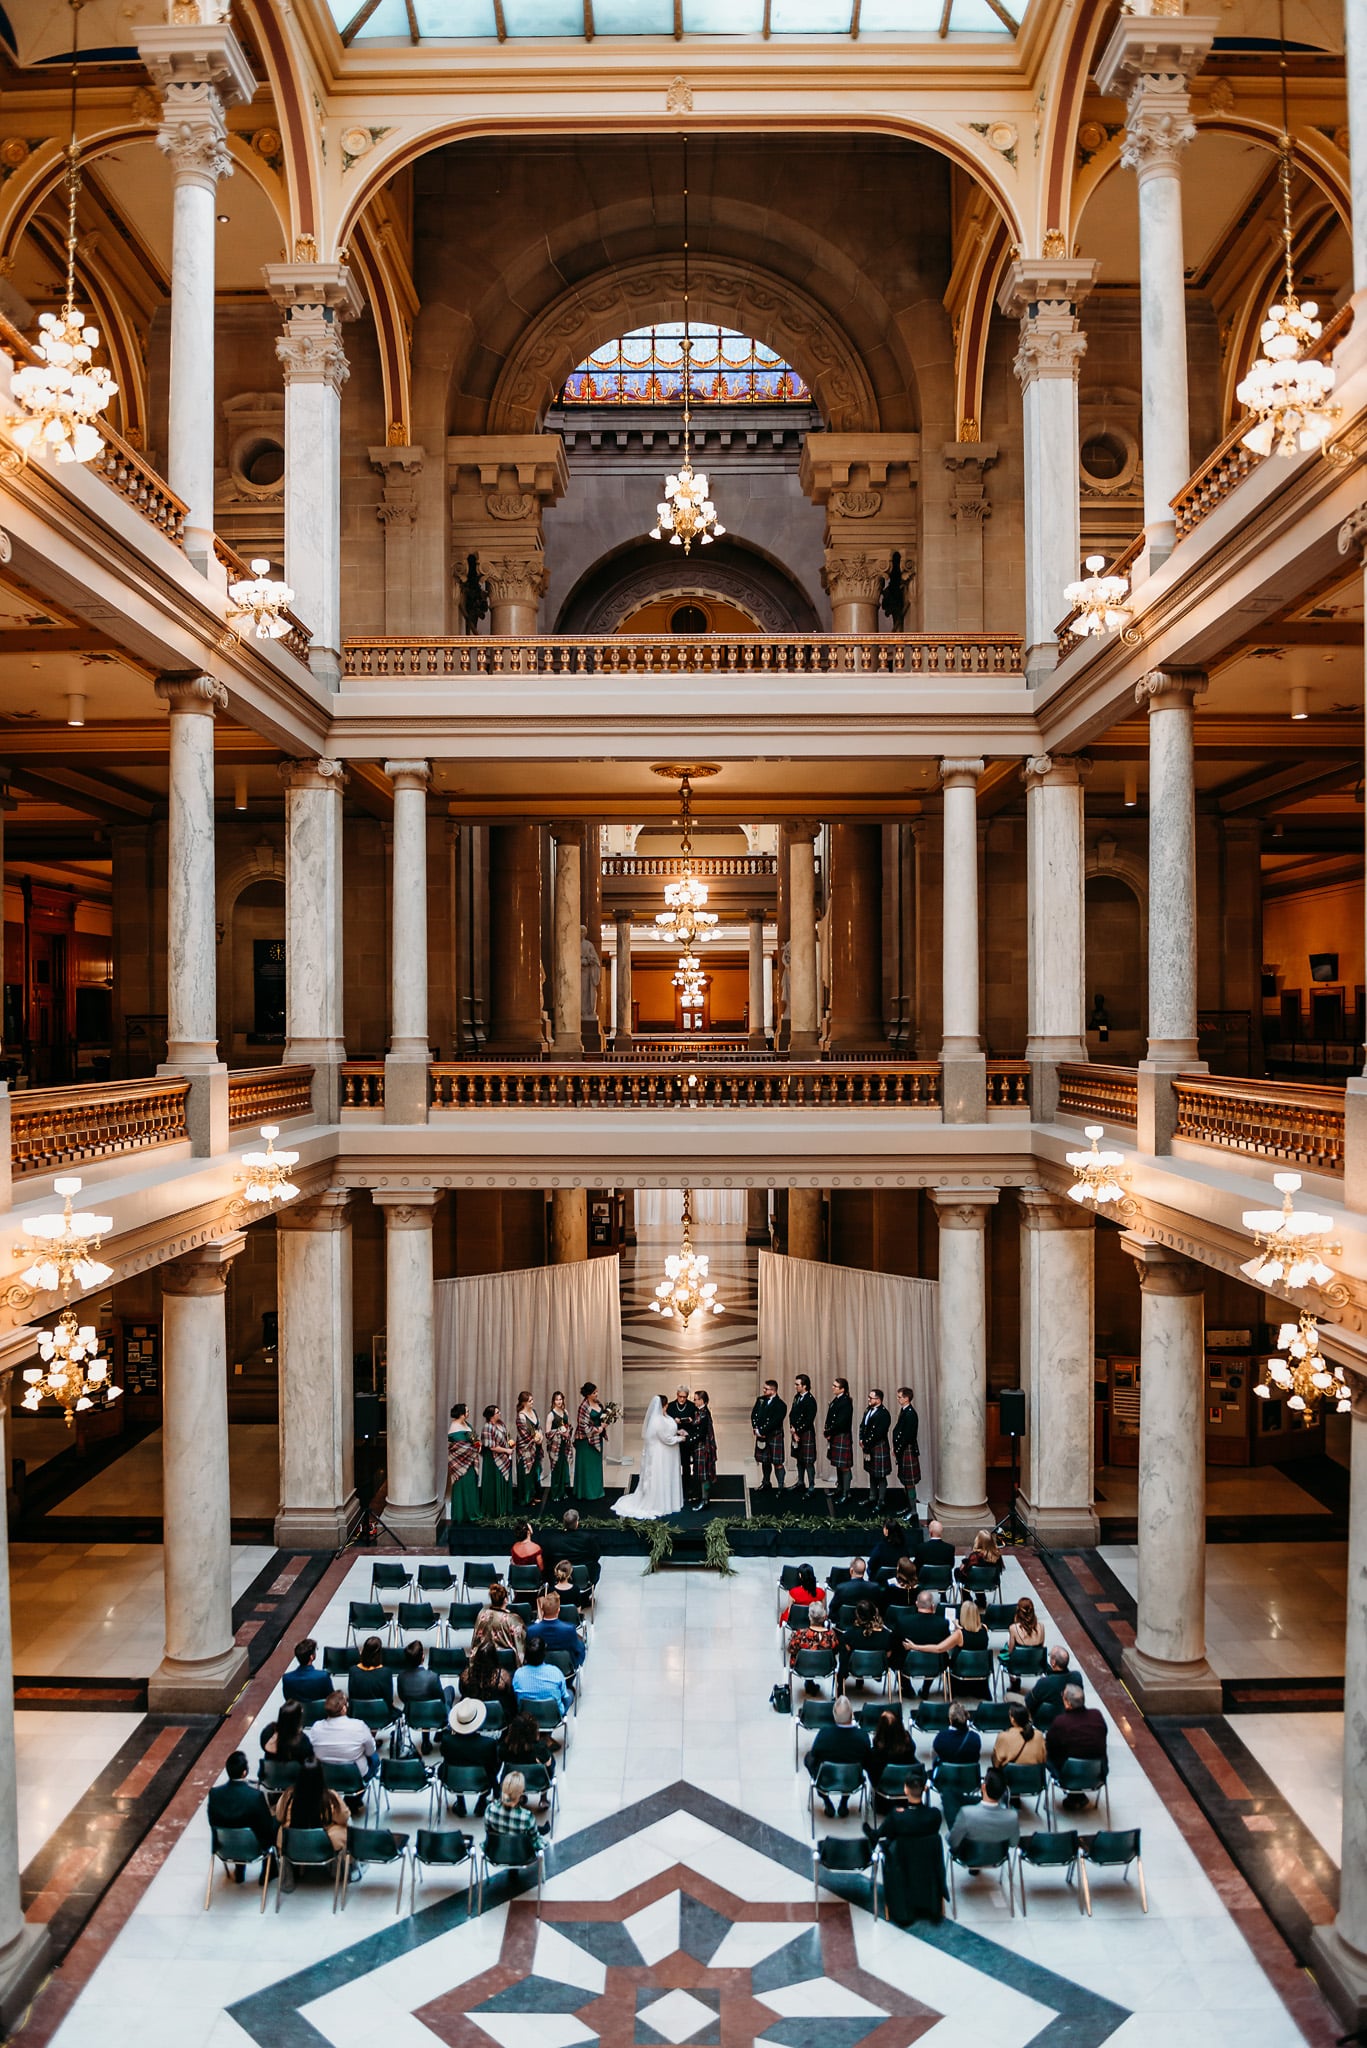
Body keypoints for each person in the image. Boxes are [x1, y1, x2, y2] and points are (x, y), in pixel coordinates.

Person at [863, 1773, 945, 1925]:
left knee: (883, 1838)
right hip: (927, 1861)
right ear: (925, 1789)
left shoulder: (897, 1816)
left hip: (902, 1862)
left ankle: (871, 1835)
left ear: (905, 1790)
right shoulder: (934, 1815)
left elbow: (885, 1833)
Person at [612, 1393, 686, 1520]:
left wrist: (677, 1431)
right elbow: (666, 1438)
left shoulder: (664, 1416)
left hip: (667, 1454)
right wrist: (680, 1438)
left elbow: (668, 1429)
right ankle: (659, 1503)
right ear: (665, 1405)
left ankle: (668, 1500)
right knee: (660, 1476)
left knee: (666, 1475)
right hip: (661, 1454)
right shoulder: (657, 1420)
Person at [207, 1752, 276, 1880]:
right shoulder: (255, 1796)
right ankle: (269, 1871)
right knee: (273, 1824)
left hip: (224, 1846)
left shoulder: (215, 1794)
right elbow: (266, 1825)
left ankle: (239, 1870)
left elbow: (212, 1821)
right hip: (252, 1847)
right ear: (244, 1772)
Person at [803, 1695, 869, 1816]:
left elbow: (815, 1754)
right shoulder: (862, 1736)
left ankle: (826, 1801)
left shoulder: (824, 1734)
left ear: (834, 1714)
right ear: (852, 1714)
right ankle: (844, 1802)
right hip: (852, 1780)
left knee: (809, 1758)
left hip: (826, 1779)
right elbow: (866, 1760)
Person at [275, 1756, 350, 1862]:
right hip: (324, 1843)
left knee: (281, 1829)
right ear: (321, 1776)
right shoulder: (330, 1797)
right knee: (344, 1828)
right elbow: (344, 1817)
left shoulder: (288, 1795)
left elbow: (279, 1816)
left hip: (293, 1841)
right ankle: (339, 1869)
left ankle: (289, 1872)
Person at [309, 1693, 379, 1800]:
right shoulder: (358, 1725)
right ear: (343, 1709)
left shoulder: (316, 1727)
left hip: (326, 1776)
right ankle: (353, 1801)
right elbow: (370, 1751)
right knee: (375, 1758)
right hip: (355, 1776)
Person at [440, 1696, 500, 1816]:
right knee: (492, 1768)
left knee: (452, 1764)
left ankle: (460, 1802)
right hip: (481, 1780)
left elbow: (445, 1756)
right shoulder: (488, 1744)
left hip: (453, 1780)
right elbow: (493, 1767)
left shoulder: (447, 1740)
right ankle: (482, 1802)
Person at [948, 1766, 1018, 1863]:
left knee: (949, 1796)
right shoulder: (1012, 1816)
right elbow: (1013, 1843)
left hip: (969, 1856)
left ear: (983, 1787)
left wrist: (949, 1835)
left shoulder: (966, 1813)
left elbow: (952, 1842)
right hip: (998, 1856)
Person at [1046, 1684, 1109, 1783]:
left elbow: (1049, 1746)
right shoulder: (1097, 1715)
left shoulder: (1060, 1721)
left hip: (1069, 1773)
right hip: (1098, 1772)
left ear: (1068, 1704)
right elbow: (1104, 1734)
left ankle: (1074, 1795)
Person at [484, 1771, 548, 1858]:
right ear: (521, 1793)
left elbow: (488, 1832)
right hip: (522, 1854)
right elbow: (535, 1841)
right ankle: (541, 1830)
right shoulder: (527, 1817)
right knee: (534, 1834)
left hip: (497, 1852)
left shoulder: (490, 1810)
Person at [498, 1711, 554, 1809]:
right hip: (538, 1782)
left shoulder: (504, 1749)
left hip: (513, 1781)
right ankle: (543, 1798)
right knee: (549, 1762)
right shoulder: (541, 1749)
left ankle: (519, 1795)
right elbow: (550, 1769)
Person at [866, 1707, 917, 1810]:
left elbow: (873, 1781)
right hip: (906, 1799)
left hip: (882, 1802)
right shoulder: (909, 1748)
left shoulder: (875, 1754)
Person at [511, 1636, 572, 1720]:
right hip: (553, 1717)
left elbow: (515, 1697)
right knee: (570, 1693)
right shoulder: (555, 1672)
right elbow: (565, 1698)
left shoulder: (518, 1674)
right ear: (544, 1654)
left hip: (526, 1717)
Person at [787, 1600, 839, 1695]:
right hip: (826, 1667)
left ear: (809, 1617)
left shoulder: (800, 1634)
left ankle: (809, 1682)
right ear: (824, 1617)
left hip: (802, 1667)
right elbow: (835, 1651)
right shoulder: (831, 1635)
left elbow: (791, 1649)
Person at [838, 1597, 893, 1686]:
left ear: (857, 1615)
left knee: (844, 1650)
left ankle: (841, 1679)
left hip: (855, 1667)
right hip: (877, 1668)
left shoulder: (849, 1635)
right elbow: (888, 1654)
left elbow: (846, 1654)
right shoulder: (886, 1635)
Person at [527, 1590, 586, 1670]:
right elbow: (579, 1649)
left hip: (539, 1670)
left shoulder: (531, 1631)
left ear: (542, 1610)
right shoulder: (569, 1629)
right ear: (558, 1610)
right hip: (565, 1670)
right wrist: (576, 1664)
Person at [397, 1640, 455, 1720]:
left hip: (411, 1715)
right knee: (449, 1690)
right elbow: (441, 1699)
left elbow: (402, 1697)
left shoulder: (401, 1677)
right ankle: (448, 1721)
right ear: (423, 1657)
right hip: (432, 1713)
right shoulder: (432, 1676)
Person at [1026, 1645, 1081, 1725]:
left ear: (1053, 1662)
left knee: (1010, 1698)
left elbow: (1029, 1702)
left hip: (1044, 1720)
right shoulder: (1077, 1677)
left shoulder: (1044, 1683)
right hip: (1071, 1718)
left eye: (1050, 1656)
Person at [751, 1378, 788, 1494]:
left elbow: (775, 1422)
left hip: (773, 1436)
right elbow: (754, 1414)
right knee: (764, 1460)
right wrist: (756, 1427)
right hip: (761, 1435)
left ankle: (781, 1486)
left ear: (773, 1390)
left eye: (766, 1389)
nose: (763, 1390)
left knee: (777, 1462)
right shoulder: (760, 1400)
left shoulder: (781, 1405)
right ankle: (766, 1482)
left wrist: (762, 1431)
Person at [447, 1402, 480, 1530]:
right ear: (461, 1414)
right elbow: (458, 1447)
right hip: (461, 1464)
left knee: (471, 1486)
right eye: (467, 1411)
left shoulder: (466, 1424)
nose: (468, 1413)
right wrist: (473, 1448)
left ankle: (472, 1512)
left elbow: (473, 1438)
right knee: (462, 1487)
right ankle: (461, 1515)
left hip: (470, 1462)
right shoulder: (454, 1426)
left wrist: (477, 1443)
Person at [472, 1582, 525, 1657]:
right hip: (506, 1662)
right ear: (506, 1600)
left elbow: (475, 1641)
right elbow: (520, 1643)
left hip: (485, 1660)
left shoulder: (482, 1615)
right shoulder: (512, 1619)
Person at [574, 1382, 608, 1501]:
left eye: (597, 1392)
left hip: (597, 1439)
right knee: (586, 1467)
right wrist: (598, 1429)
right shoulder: (583, 1407)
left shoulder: (598, 1403)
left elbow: (602, 1417)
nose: (596, 1394)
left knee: (596, 1466)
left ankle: (596, 1490)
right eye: (594, 1393)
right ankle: (586, 1492)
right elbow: (583, 1426)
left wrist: (606, 1422)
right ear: (588, 1395)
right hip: (585, 1441)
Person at [859, 1387, 892, 1510]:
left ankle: (881, 1500)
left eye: (871, 1398)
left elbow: (879, 1433)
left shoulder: (884, 1414)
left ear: (878, 1400)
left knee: (881, 1476)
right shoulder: (868, 1410)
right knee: (872, 1473)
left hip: (878, 1446)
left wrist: (866, 1442)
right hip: (868, 1446)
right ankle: (872, 1497)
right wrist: (861, 1439)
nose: (868, 1399)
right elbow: (863, 1425)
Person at [480, 1403, 515, 1518]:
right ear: (491, 1416)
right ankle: (494, 1510)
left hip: (504, 1457)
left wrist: (510, 1444)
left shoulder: (501, 1424)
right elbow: (491, 1447)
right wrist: (506, 1450)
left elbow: (506, 1437)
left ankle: (504, 1508)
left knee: (504, 1482)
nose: (499, 1413)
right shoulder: (487, 1427)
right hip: (493, 1460)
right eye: (497, 1412)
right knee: (495, 1483)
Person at [824, 1377, 854, 1508]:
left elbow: (841, 1422)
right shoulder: (836, 1400)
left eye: (835, 1386)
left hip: (841, 1434)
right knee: (838, 1464)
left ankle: (846, 1493)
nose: (833, 1388)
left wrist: (830, 1431)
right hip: (835, 1435)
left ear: (842, 1389)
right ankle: (840, 1488)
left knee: (844, 1466)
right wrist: (827, 1431)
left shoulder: (846, 1401)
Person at [460, 1639, 515, 1711]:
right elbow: (510, 1697)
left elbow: (462, 1691)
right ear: (494, 1657)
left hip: (474, 1712)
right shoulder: (503, 1677)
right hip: (496, 1714)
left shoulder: (466, 1675)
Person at [666, 1385, 700, 1503]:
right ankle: (672, 1485)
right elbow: (665, 1423)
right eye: (680, 1397)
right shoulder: (670, 1406)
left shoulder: (691, 1406)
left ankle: (686, 1486)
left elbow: (696, 1423)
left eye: (684, 1397)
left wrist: (688, 1429)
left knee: (686, 1464)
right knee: (672, 1463)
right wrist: (675, 1427)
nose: (682, 1399)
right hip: (674, 1438)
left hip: (686, 1439)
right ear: (677, 1395)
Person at [992, 1702, 1046, 1771]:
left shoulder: (1003, 1736)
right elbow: (1044, 1759)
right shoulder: (1039, 1735)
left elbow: (996, 1763)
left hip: (1009, 1779)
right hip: (1034, 1779)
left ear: (1012, 1719)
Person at [260, 1698, 314, 1765]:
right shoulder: (303, 1742)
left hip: (270, 1771)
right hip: (294, 1773)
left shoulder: (267, 1732)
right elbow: (309, 1760)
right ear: (297, 1720)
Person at [513, 1391, 543, 1510]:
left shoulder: (533, 1412)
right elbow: (524, 1434)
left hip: (536, 1446)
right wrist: (535, 1439)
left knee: (534, 1471)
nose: (532, 1402)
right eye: (530, 1401)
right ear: (524, 1402)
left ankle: (534, 1494)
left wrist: (540, 1436)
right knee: (526, 1472)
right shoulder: (521, 1416)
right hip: (526, 1449)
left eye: (532, 1400)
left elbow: (538, 1427)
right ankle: (526, 1498)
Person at [892, 1386, 920, 1507]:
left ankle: (913, 1510)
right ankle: (908, 1507)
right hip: (903, 1448)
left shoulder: (910, 1414)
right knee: (905, 1480)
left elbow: (907, 1436)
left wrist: (898, 1449)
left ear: (907, 1398)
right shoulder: (905, 1411)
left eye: (900, 1397)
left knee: (909, 1482)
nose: (898, 1399)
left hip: (906, 1448)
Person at [789, 1373, 818, 1495]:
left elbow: (808, 1420)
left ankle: (811, 1486)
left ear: (804, 1386)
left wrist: (797, 1431)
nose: (795, 1386)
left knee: (808, 1461)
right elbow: (792, 1414)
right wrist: (792, 1428)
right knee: (799, 1459)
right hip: (795, 1432)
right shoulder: (797, 1397)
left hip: (805, 1433)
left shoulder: (810, 1400)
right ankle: (800, 1482)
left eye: (797, 1384)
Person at [281, 1638, 331, 1705]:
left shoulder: (287, 1678)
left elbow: (288, 1699)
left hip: (297, 1713)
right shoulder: (323, 1676)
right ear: (311, 1657)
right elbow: (330, 1698)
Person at [932, 1701, 981, 1768]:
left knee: (933, 1753)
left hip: (946, 1775)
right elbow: (976, 1758)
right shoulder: (975, 1738)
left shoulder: (940, 1737)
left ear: (950, 1719)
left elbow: (937, 1750)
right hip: (968, 1775)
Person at [545, 1390, 574, 1503]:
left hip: (564, 1445)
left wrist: (567, 1431)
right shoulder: (551, 1415)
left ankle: (562, 1491)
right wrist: (560, 1432)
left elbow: (568, 1425)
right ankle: (555, 1493)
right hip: (555, 1447)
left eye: (560, 1399)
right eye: (556, 1399)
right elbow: (548, 1433)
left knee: (563, 1468)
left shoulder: (565, 1412)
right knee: (556, 1469)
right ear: (553, 1401)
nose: (559, 1401)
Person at [691, 1388, 717, 1508]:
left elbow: (701, 1433)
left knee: (704, 1475)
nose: (694, 1402)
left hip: (703, 1448)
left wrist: (688, 1437)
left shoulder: (704, 1414)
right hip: (700, 1447)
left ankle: (705, 1499)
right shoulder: (699, 1412)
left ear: (702, 1401)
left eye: (696, 1400)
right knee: (700, 1473)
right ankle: (702, 1496)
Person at [348, 1636, 393, 1705]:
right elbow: (389, 1700)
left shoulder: (353, 1670)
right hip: (380, 1712)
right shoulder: (386, 1672)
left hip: (358, 1711)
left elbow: (352, 1697)